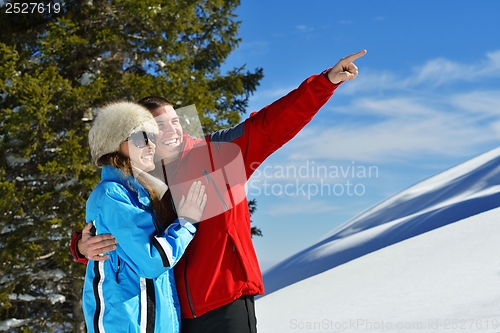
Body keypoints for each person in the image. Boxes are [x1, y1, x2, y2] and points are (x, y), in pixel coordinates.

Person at [71, 50, 366, 333]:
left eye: (175, 120)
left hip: (227, 303)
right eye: (159, 126)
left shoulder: (217, 153)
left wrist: (325, 82)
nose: (172, 130)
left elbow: (271, 125)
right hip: (176, 317)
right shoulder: (141, 183)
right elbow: (122, 231)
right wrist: (82, 248)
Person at [82, 101, 207, 333]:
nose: (151, 145)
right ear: (114, 144)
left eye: (151, 137)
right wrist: (187, 223)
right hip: (125, 325)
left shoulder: (141, 195)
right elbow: (152, 261)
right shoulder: (111, 194)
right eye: (140, 138)